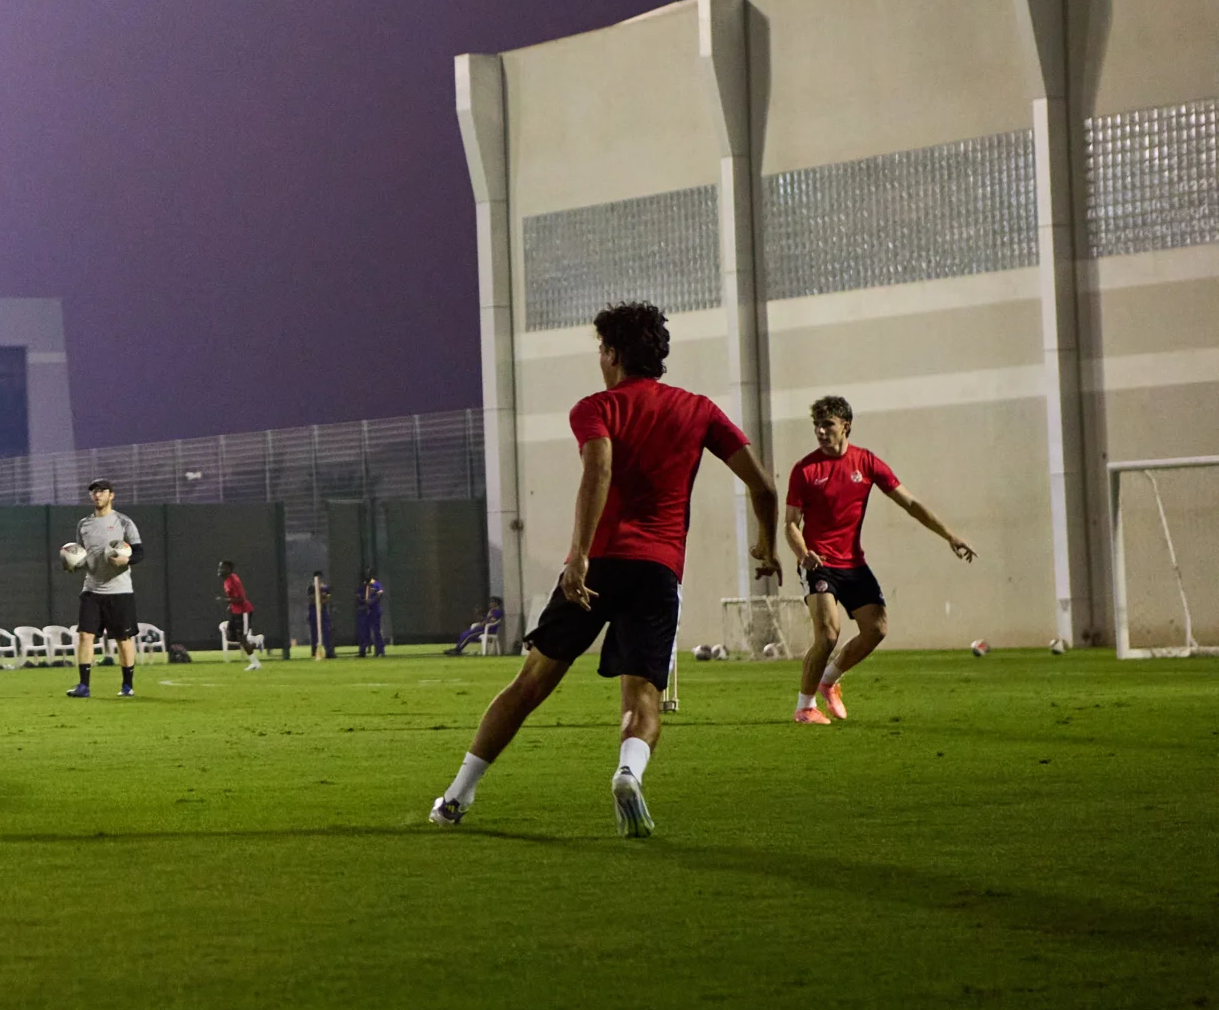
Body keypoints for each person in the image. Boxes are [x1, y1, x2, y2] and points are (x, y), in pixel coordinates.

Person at [429, 302, 779, 838]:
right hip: (658, 570)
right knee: (644, 695)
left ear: (612, 354)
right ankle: (627, 773)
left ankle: (457, 795)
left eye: (601, 349)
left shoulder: (596, 408)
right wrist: (765, 545)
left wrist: (579, 555)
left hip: (598, 565)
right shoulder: (699, 409)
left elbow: (599, 467)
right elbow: (764, 486)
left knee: (529, 685)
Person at [786, 395, 977, 724]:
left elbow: (911, 503)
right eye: (816, 425)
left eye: (827, 424)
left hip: (853, 564)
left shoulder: (866, 463)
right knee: (828, 634)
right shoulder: (805, 470)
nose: (820, 430)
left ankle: (828, 681)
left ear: (845, 426)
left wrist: (949, 535)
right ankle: (804, 706)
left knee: (876, 629)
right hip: (819, 564)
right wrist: (804, 553)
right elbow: (790, 523)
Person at [64, 478, 143, 699]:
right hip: (92, 589)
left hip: (120, 590)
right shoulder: (83, 525)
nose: (97, 495)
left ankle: (127, 685)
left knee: (123, 638)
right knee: (85, 635)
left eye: (102, 491)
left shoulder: (124, 522)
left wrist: (125, 561)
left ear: (111, 495)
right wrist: (74, 563)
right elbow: (83, 556)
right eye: (94, 492)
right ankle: (83, 686)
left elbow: (139, 552)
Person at [219, 560, 261, 670]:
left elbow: (242, 599)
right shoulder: (227, 580)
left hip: (243, 611)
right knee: (230, 635)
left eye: (222, 568)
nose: (219, 571)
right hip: (235, 611)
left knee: (242, 638)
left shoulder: (234, 581)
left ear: (228, 570)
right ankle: (254, 640)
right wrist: (230, 605)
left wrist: (226, 601)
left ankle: (255, 662)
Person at [356, 575, 386, 657]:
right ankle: (362, 651)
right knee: (363, 632)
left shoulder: (376, 584)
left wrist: (372, 601)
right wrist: (363, 601)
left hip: (374, 611)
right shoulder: (363, 586)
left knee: (377, 631)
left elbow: (380, 594)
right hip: (364, 612)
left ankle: (380, 651)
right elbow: (358, 596)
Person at [306, 571, 332, 658]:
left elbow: (326, 599)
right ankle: (314, 652)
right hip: (313, 611)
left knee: (326, 631)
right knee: (314, 632)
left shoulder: (325, 587)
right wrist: (321, 597)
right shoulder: (311, 587)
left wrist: (321, 598)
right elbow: (311, 600)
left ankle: (328, 651)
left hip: (323, 611)